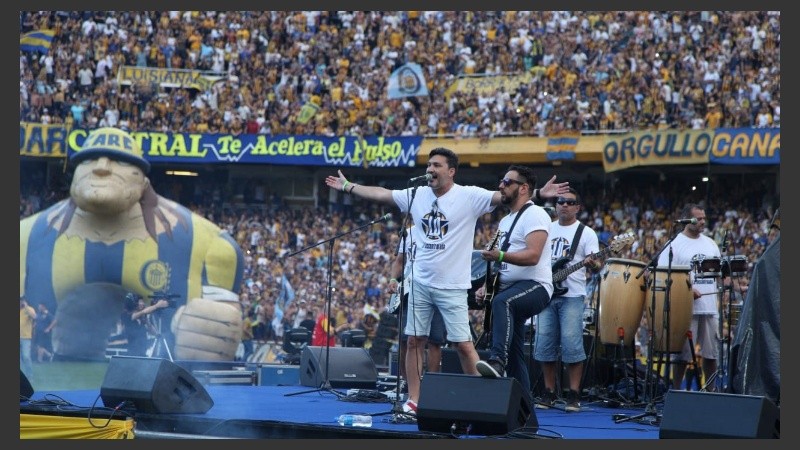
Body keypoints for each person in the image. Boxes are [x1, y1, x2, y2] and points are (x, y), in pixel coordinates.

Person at [325, 147, 568, 415]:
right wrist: (348, 186)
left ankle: (484, 401)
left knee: (463, 345)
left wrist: (538, 193)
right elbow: (382, 194)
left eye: (437, 165)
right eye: (429, 165)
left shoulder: (469, 196)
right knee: (414, 341)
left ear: (451, 171)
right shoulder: (417, 194)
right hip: (420, 283)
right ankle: (414, 399)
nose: (430, 169)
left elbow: (505, 195)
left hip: (452, 286)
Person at [19, 127, 245, 361]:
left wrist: (210, 327)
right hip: (62, 352)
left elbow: (219, 329)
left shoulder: (206, 243)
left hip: (162, 352)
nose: (102, 167)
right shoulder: (26, 236)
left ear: (144, 181)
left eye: (120, 161)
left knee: (190, 344)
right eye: (89, 160)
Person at [473, 165, 554, 399]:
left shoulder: (536, 214)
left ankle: (497, 361)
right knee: (517, 353)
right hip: (511, 286)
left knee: (503, 302)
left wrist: (499, 255)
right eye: (501, 181)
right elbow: (501, 265)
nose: (501, 186)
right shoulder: (506, 221)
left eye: (507, 182)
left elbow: (533, 255)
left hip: (535, 285)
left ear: (524, 188)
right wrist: (487, 286)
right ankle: (524, 409)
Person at [534, 187, 601, 412]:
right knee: (545, 343)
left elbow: (597, 265)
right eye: (561, 201)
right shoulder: (546, 228)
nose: (564, 205)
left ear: (577, 208)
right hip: (546, 293)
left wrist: (593, 263)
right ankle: (549, 392)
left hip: (572, 295)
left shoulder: (586, 233)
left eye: (570, 202)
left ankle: (573, 394)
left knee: (572, 344)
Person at [657, 203, 721, 391]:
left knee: (711, 354)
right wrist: (687, 291)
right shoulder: (674, 244)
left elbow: (719, 274)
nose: (703, 222)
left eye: (704, 218)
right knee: (682, 355)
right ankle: (676, 390)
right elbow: (663, 275)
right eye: (698, 218)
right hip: (686, 308)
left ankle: (711, 392)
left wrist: (734, 284)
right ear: (687, 219)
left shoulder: (711, 243)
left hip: (709, 307)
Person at [388, 224, 447, 384]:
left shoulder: (441, 231)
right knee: (405, 339)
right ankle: (407, 383)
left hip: (436, 286)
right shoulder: (408, 233)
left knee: (435, 340)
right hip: (410, 289)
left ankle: (431, 385)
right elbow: (399, 261)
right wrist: (393, 279)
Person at [120, 293, 169, 357]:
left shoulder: (141, 318)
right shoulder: (126, 316)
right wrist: (157, 306)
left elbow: (155, 333)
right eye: (141, 302)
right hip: (133, 354)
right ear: (135, 304)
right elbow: (142, 312)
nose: (143, 304)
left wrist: (147, 321)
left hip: (143, 353)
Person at [20, 296, 37, 380]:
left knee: (26, 356)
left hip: (25, 337)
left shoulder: (29, 309)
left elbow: (34, 317)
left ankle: (29, 376)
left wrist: (26, 307)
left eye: (21, 300)